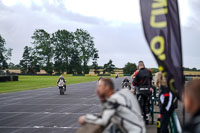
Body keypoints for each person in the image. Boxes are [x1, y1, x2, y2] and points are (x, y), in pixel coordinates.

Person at [78, 78, 146, 133]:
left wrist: (85, 118)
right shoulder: (123, 93)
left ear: (107, 87)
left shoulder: (113, 100)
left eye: (99, 87)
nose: (97, 89)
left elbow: (103, 120)